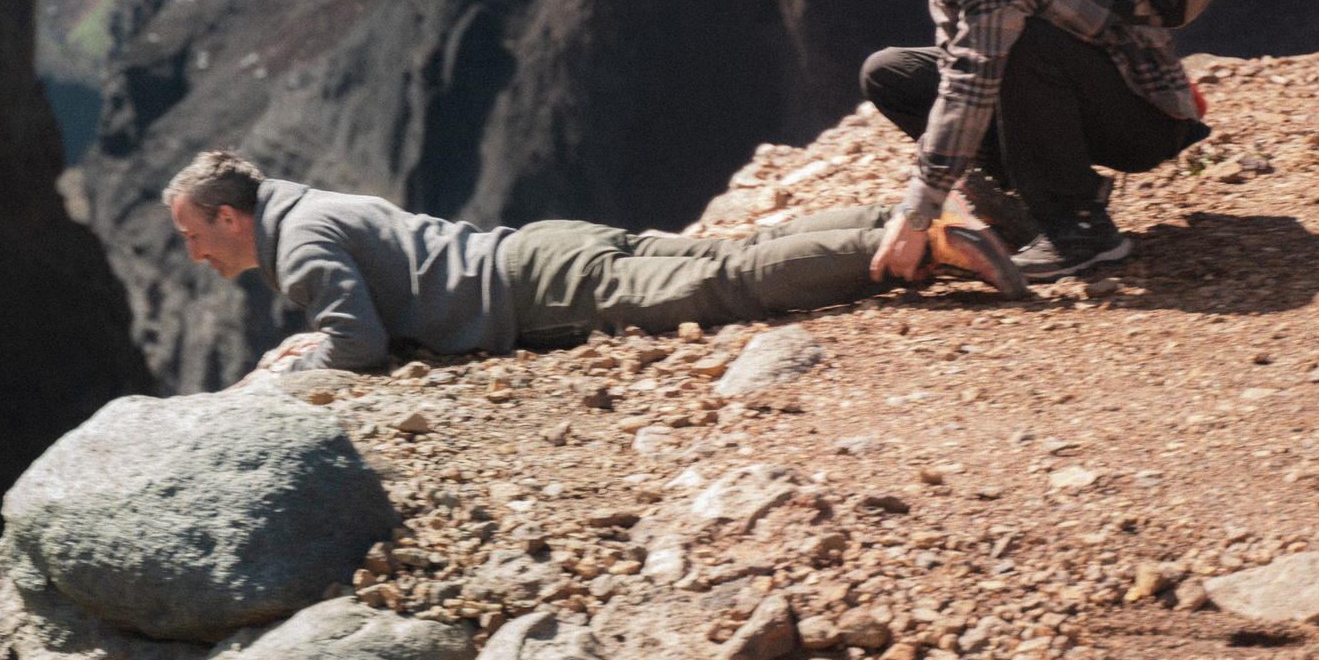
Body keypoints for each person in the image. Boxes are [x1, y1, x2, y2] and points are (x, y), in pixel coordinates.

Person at [161, 149, 1024, 380]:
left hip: (537, 289)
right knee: (729, 255)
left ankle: (924, 242)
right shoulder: (308, 207)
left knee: (729, 285)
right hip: (539, 247)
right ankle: (903, 220)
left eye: (195, 234)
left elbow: (356, 345)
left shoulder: (298, 242)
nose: (194, 252)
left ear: (230, 216)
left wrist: (305, 357)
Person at [857, 0, 1210, 283]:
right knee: (889, 73)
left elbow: (975, 71)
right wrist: (941, 162)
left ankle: (1080, 228)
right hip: (1070, 97)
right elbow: (955, 52)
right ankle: (1026, 206)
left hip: (1142, 117)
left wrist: (918, 211)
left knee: (1015, 45)